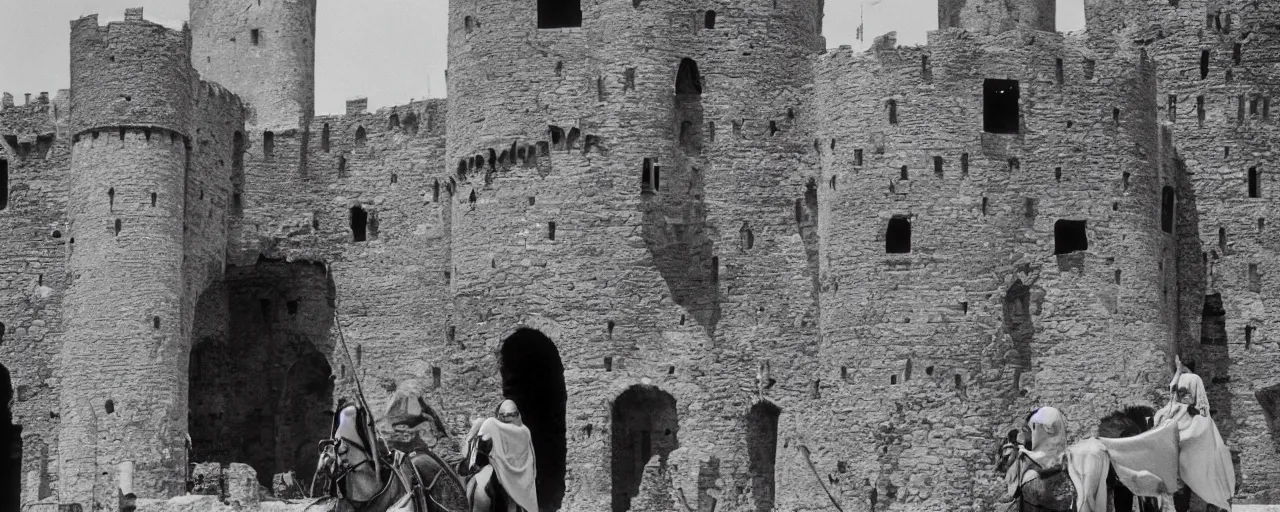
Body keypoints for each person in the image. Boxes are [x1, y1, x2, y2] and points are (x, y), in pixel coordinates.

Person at [1152, 365, 1235, 512]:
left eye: (1186, 392)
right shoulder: (1178, 416)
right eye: (1182, 392)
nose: (1184, 396)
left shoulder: (1173, 416)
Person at [464, 400, 538, 512]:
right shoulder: (525, 432)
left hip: (497, 477)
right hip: (522, 483)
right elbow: (530, 462)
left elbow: (480, 455)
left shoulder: (492, 426)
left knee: (471, 480)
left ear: (499, 416)